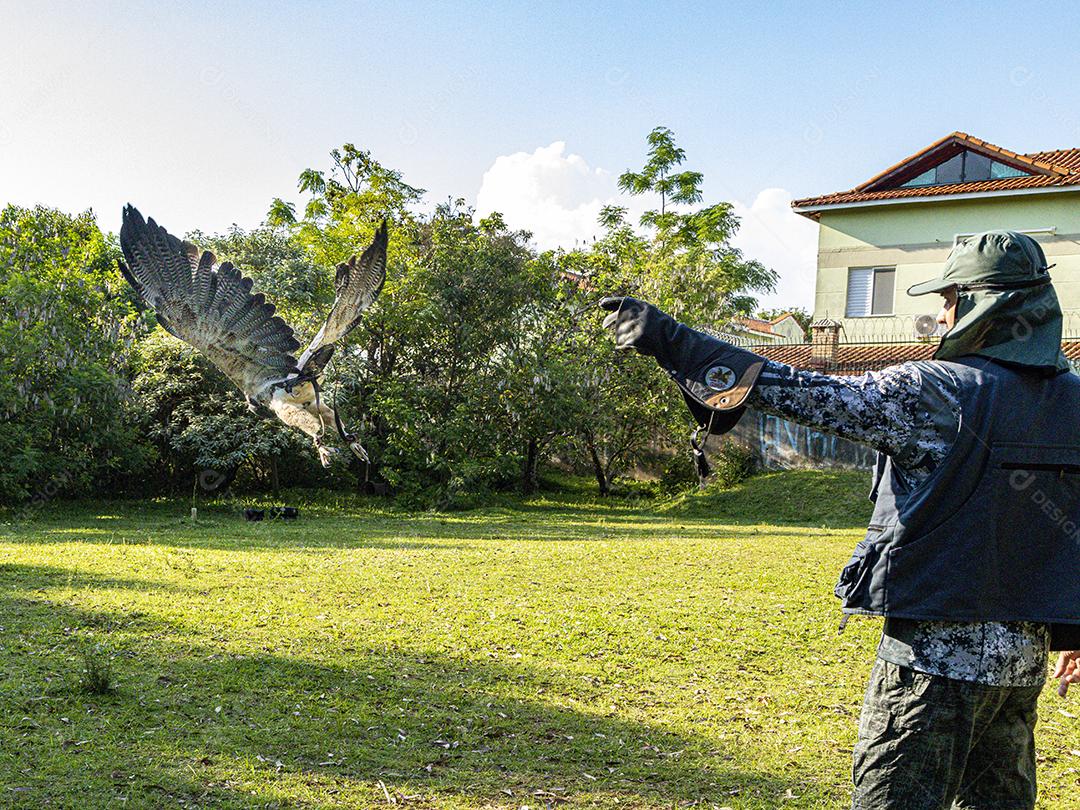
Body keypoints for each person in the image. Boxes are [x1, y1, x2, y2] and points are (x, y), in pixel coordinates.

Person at [600, 230, 1080, 810]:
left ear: (983, 306)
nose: (940, 313)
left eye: (949, 298)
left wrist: (673, 340)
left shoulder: (937, 393)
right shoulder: (1073, 402)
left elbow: (804, 392)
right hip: (1020, 667)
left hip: (929, 669)